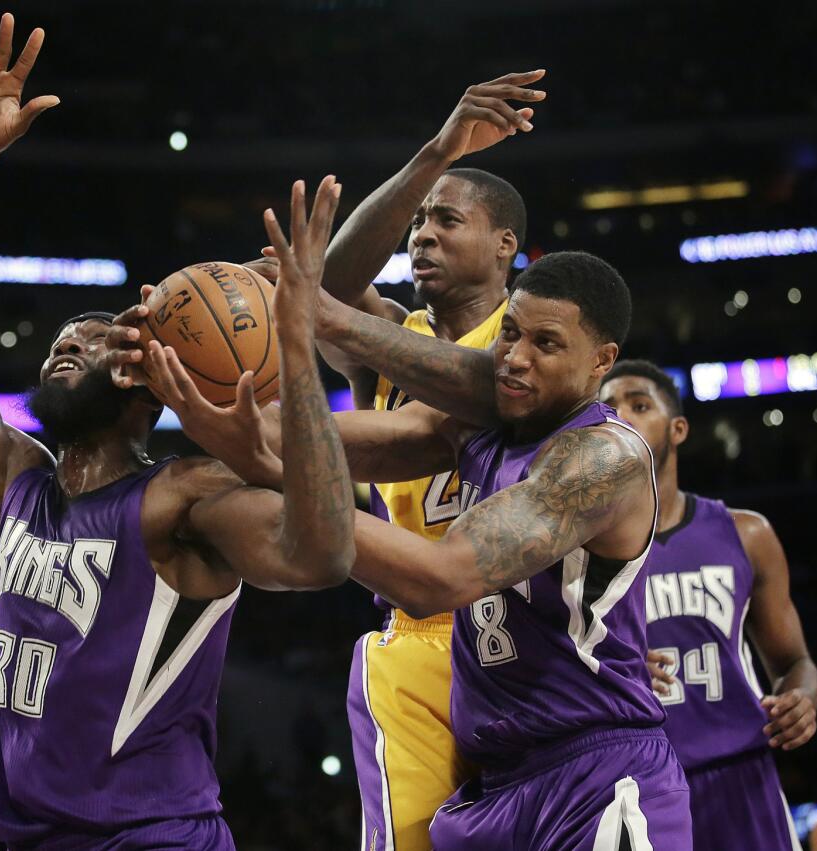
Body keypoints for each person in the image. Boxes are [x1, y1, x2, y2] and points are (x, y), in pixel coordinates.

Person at [0, 14, 354, 847]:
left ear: (146, 379)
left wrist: (301, 353)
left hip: (154, 835)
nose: (71, 339)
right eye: (67, 332)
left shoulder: (183, 497)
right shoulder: (11, 481)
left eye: (101, 336)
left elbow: (321, 556)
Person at [129, 250, 693, 849]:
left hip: (597, 776)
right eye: (509, 333)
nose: (515, 359)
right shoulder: (472, 429)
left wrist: (282, 446)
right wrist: (168, 362)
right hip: (495, 786)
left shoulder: (606, 459)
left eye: (546, 344)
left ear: (601, 361)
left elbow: (439, 579)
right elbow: (291, 440)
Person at [315, 72, 540, 851]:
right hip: (421, 630)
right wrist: (438, 152)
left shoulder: (534, 343)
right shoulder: (392, 340)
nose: (422, 235)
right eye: (417, 223)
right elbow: (329, 288)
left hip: (536, 630)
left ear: (506, 243)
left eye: (447, 219)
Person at [600, 359, 817, 851]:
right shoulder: (575, 553)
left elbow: (795, 663)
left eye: (639, 404)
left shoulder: (747, 534)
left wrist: (802, 699)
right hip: (637, 783)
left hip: (742, 775)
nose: (621, 416)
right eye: (608, 408)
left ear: (677, 429)